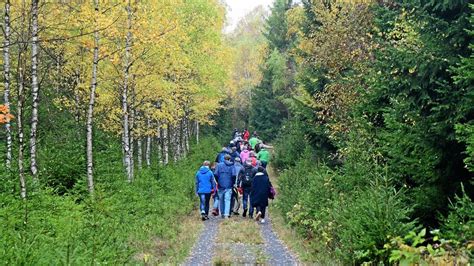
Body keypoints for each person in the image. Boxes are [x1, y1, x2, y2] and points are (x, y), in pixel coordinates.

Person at [214, 154, 236, 218]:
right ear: (229, 159)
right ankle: (226, 214)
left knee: (221, 200)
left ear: (224, 159)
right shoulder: (232, 165)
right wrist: (233, 182)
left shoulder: (219, 165)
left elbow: (215, 174)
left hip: (221, 185)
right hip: (229, 185)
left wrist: (218, 181)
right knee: (227, 200)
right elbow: (234, 175)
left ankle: (223, 213)